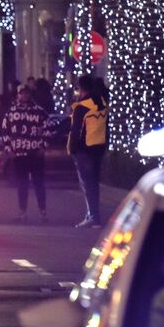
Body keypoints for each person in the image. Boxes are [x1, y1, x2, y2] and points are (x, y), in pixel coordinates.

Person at [3, 84, 49, 222]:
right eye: (22, 93)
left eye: (26, 93)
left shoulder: (39, 111)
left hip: (35, 153)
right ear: (18, 95)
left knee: (39, 183)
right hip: (19, 154)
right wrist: (9, 149)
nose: (24, 95)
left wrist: (43, 147)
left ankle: (43, 212)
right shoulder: (11, 112)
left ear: (30, 94)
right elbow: (5, 131)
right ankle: (22, 212)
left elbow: (47, 129)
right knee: (22, 184)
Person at [68, 74, 108, 227]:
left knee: (86, 183)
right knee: (94, 183)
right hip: (98, 148)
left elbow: (76, 130)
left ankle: (92, 215)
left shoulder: (82, 106)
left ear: (81, 88)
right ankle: (94, 215)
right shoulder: (102, 103)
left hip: (84, 150)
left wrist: (72, 148)